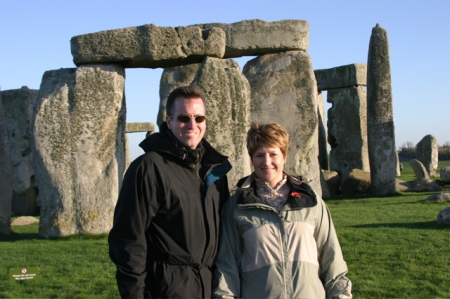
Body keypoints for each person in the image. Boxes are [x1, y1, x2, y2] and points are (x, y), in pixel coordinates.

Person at [109, 86, 231, 299]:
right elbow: (128, 239)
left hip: (213, 287)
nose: (193, 125)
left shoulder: (215, 169)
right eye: (184, 118)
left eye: (199, 118)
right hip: (167, 288)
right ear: (169, 121)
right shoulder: (148, 168)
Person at [213, 122, 352, 299]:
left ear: (284, 156)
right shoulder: (236, 206)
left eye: (273, 154)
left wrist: (341, 294)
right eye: (259, 155)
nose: (266, 162)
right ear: (252, 159)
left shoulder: (311, 201)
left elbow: (331, 256)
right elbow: (227, 266)